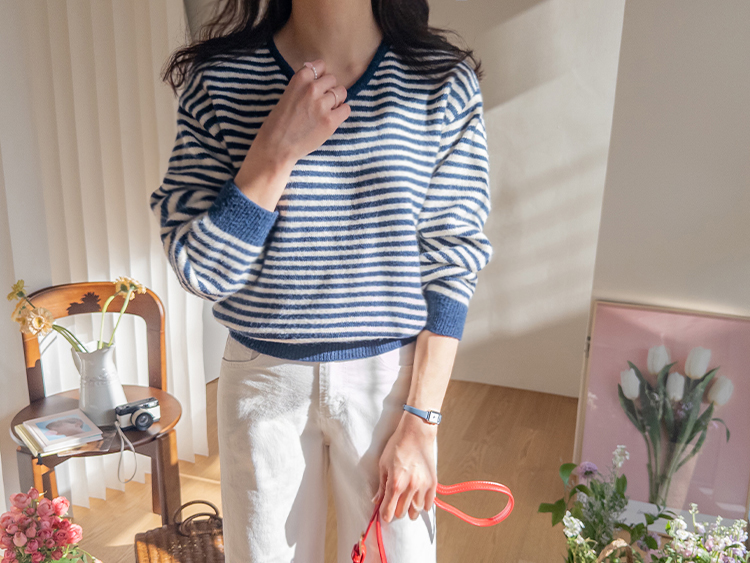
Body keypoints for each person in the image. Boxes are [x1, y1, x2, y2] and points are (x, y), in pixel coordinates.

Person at [150, 0, 493, 561]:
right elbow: (202, 271)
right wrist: (275, 150)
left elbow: (452, 259)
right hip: (261, 381)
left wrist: (422, 420)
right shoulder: (217, 79)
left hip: (391, 385)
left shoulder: (440, 81)